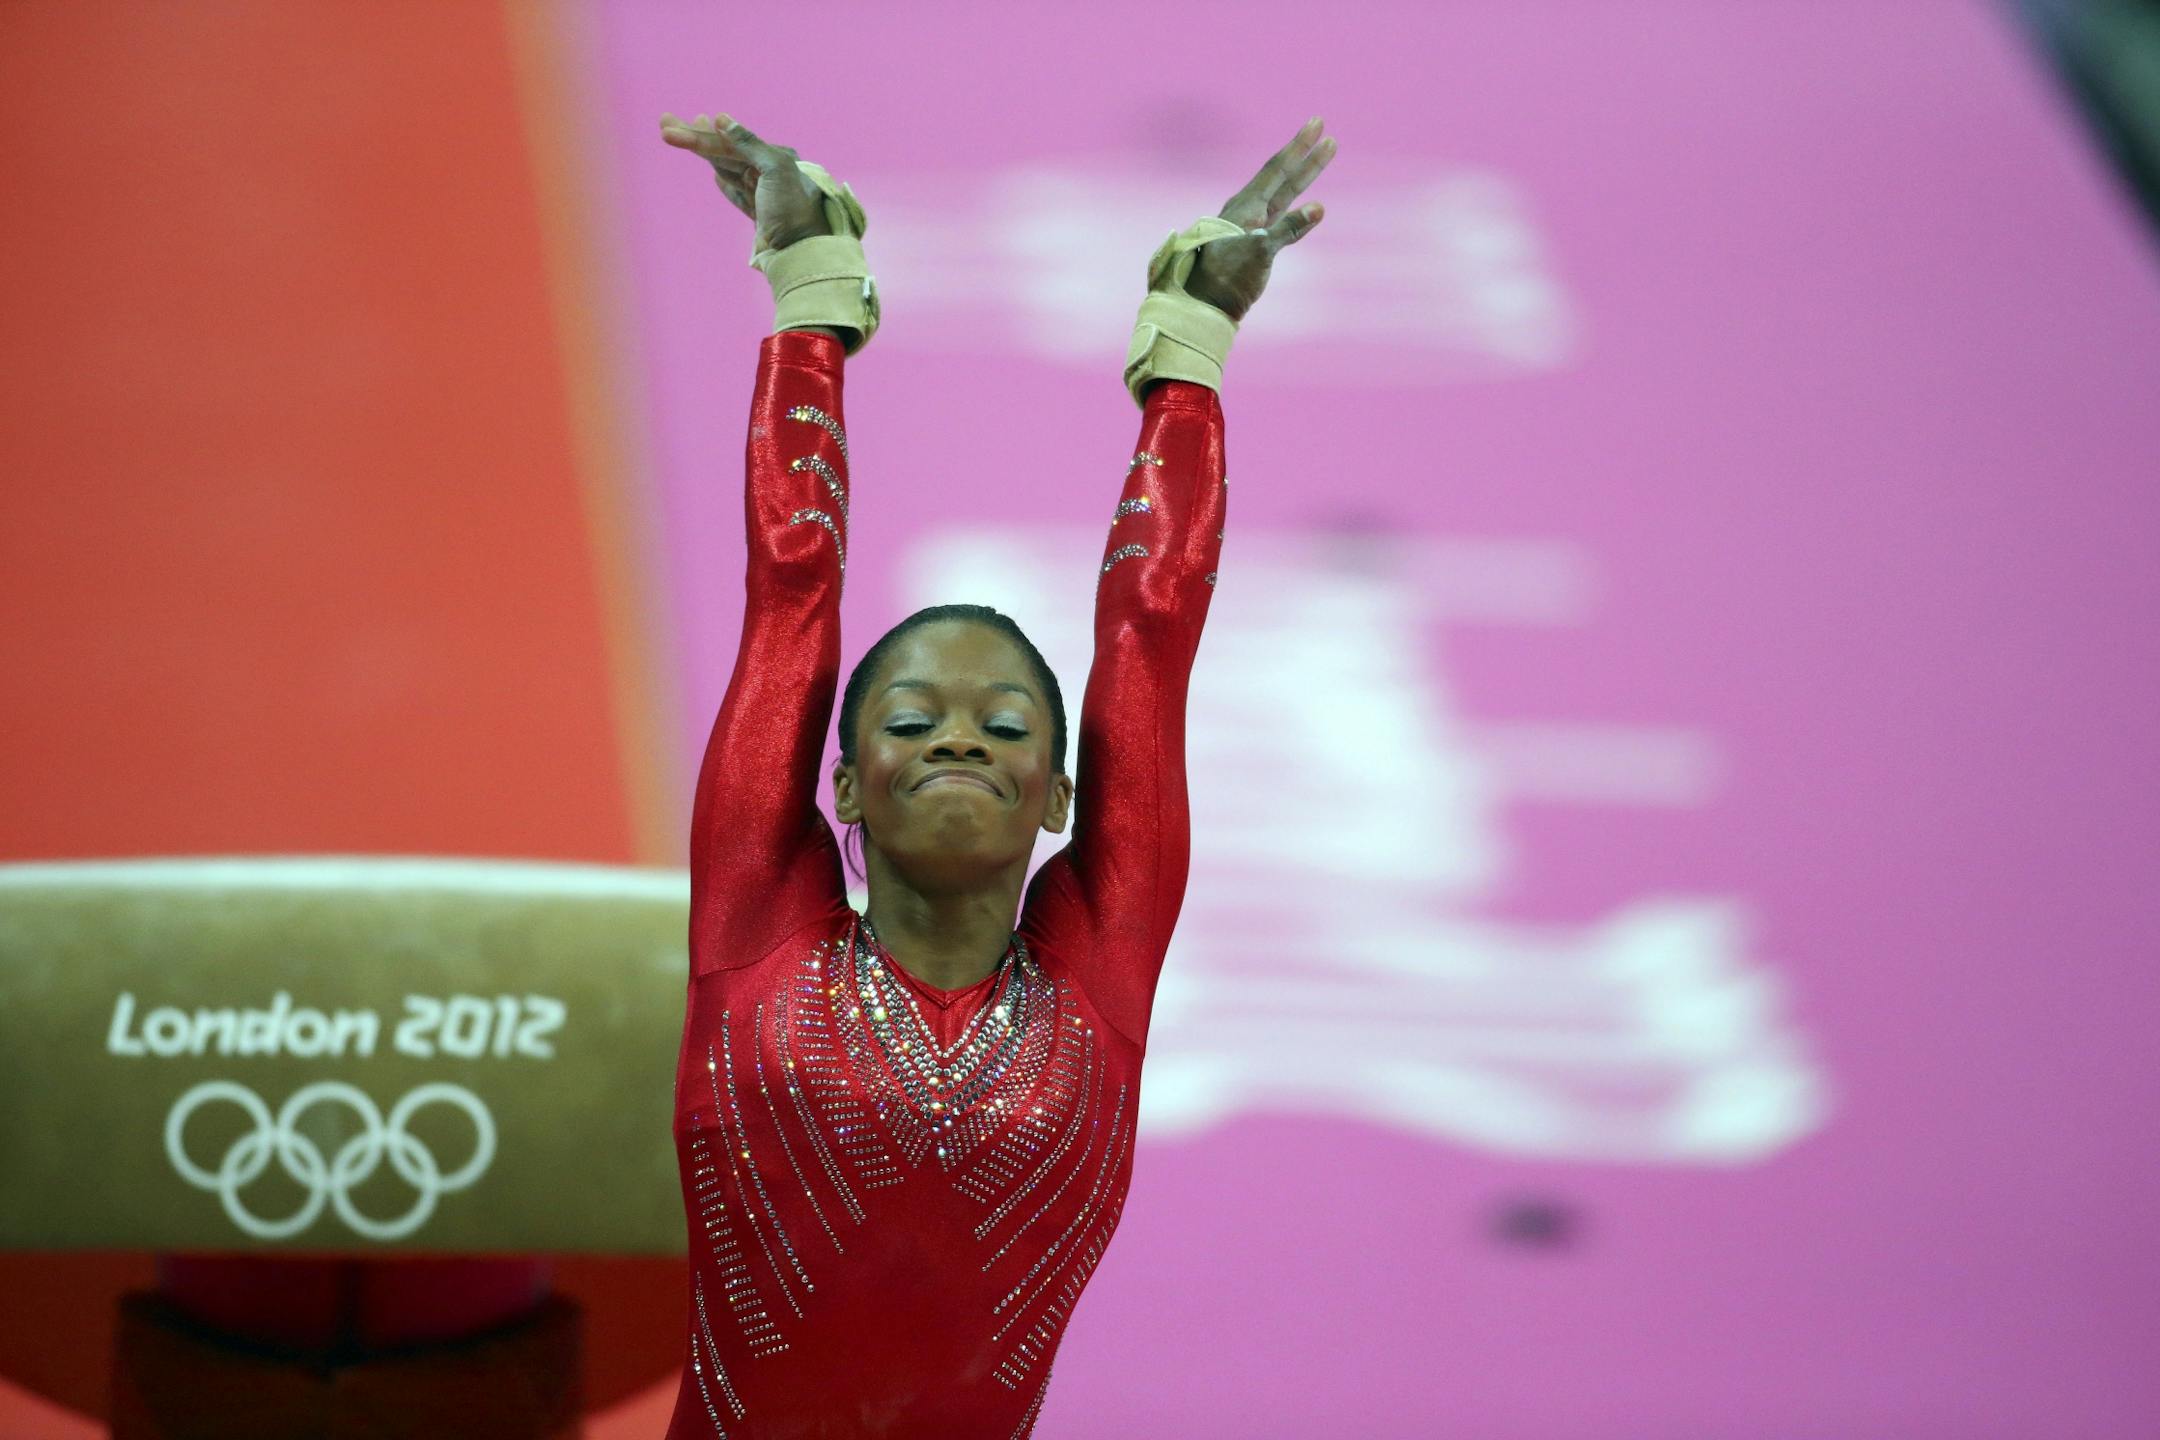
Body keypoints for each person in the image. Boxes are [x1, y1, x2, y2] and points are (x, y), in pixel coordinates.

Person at [654, 108, 1333, 1438]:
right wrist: (810, 296)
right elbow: (791, 591)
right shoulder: (762, 929)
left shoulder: (1098, 970)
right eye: (909, 725)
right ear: (837, 786)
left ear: (1063, 800)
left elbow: (1153, 629)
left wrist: (1189, 351)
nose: (960, 736)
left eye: (1010, 729)